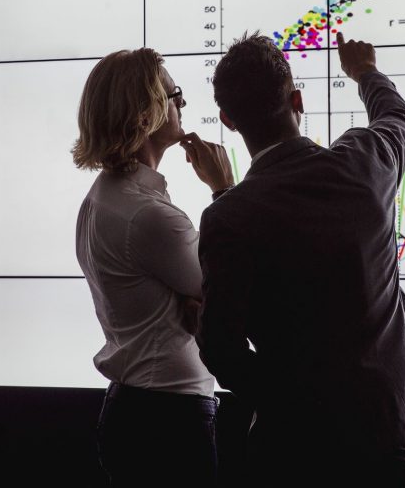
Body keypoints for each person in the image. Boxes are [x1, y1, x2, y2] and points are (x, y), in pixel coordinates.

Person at [195, 32, 405, 486]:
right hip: (392, 437)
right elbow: (398, 117)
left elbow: (219, 348)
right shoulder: (365, 163)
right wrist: (364, 72)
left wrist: (288, 399)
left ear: (228, 121)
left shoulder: (227, 216)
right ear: (298, 99)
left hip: (295, 447)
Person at [72, 48, 233, 488]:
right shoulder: (148, 216)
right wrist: (225, 191)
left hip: (137, 410)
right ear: (144, 113)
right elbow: (234, 291)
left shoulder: (103, 198)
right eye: (172, 95)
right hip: (169, 419)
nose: (181, 104)